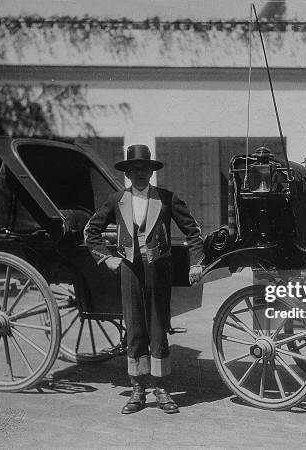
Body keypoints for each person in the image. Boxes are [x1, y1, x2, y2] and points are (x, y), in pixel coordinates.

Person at [84, 144, 204, 415]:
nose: (139, 174)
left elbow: (193, 231)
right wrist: (107, 258)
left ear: (151, 172)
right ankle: (138, 390)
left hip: (159, 270)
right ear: (127, 173)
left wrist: (197, 263)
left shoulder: (166, 198)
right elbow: (90, 232)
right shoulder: (117, 200)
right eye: (134, 169)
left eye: (144, 169)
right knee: (135, 328)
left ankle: (162, 389)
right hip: (129, 270)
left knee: (158, 327)